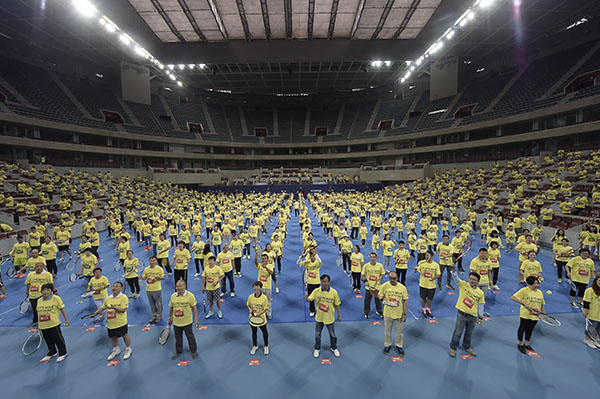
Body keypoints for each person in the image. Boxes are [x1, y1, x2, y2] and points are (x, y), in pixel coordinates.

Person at [448, 271, 484, 358]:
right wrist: (453, 269)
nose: (471, 281)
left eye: (474, 280)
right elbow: (455, 277)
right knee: (458, 332)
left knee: (469, 333)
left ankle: (466, 346)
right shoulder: (463, 285)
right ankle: (453, 348)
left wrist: (480, 317)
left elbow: (481, 304)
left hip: (473, 316)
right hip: (462, 315)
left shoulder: (480, 293)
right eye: (470, 279)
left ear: (478, 281)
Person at [305, 274, 341, 358]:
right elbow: (309, 299)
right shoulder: (316, 291)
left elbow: (337, 304)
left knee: (332, 334)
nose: (324, 283)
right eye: (322, 281)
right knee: (317, 334)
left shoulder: (334, 292)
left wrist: (339, 315)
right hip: (319, 317)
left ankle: (334, 347)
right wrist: (306, 298)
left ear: (328, 282)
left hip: (330, 317)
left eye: (325, 281)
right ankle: (317, 348)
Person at [93, 282, 132, 360]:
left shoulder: (123, 297)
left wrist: (114, 308)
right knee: (113, 337)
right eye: (113, 286)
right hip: (111, 322)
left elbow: (123, 310)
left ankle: (128, 349)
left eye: (117, 286)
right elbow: (103, 307)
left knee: (125, 335)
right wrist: (97, 312)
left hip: (121, 322)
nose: (114, 287)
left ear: (121, 288)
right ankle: (116, 349)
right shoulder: (108, 298)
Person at [511, 276, 545, 354]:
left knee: (530, 329)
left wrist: (544, 315)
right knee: (522, 328)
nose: (536, 285)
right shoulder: (524, 290)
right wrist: (523, 303)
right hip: (526, 314)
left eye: (537, 283)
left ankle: (527, 344)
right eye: (534, 283)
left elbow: (542, 304)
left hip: (535, 315)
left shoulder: (540, 292)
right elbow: (513, 297)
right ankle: (520, 344)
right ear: (529, 284)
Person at [37, 283, 69, 363]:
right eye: (44, 290)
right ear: (41, 292)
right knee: (48, 340)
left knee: (58, 339)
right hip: (43, 325)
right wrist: (38, 324)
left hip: (53, 324)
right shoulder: (39, 300)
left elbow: (62, 309)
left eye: (48, 290)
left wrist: (66, 320)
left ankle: (63, 352)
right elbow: (39, 313)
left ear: (51, 291)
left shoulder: (56, 298)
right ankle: (52, 351)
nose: (45, 292)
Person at [377, 272, 408, 356]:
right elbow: (380, 295)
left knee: (399, 332)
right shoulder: (384, 286)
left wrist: (404, 314)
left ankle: (399, 345)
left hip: (398, 314)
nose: (392, 280)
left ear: (397, 278)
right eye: (390, 278)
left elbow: (405, 301)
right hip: (387, 313)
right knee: (387, 331)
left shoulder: (402, 288)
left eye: (394, 278)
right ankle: (387, 345)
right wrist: (381, 298)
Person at [169, 279, 199, 360]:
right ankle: (178, 351)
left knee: (190, 337)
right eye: (177, 286)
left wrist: (196, 319)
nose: (178, 288)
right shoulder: (173, 296)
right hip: (176, 322)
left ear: (185, 286)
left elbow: (194, 308)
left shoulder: (190, 296)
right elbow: (171, 308)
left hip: (187, 322)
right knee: (178, 338)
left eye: (180, 286)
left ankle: (194, 351)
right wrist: (170, 317)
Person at [25, 261, 54, 327]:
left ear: (43, 267)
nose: (38, 268)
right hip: (32, 295)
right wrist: (27, 291)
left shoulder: (47, 274)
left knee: (43, 309)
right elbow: (28, 283)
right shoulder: (30, 275)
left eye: (40, 266)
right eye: (37, 266)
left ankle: (44, 322)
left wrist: (54, 291)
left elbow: (51, 284)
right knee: (34, 309)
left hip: (42, 295)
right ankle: (35, 320)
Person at [414, 250, 440, 318]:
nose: (426, 257)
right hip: (423, 284)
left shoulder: (436, 265)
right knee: (423, 298)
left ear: (432, 256)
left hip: (432, 285)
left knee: (430, 298)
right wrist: (415, 269)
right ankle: (423, 308)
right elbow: (417, 269)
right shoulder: (421, 263)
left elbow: (439, 274)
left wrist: (434, 277)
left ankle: (428, 308)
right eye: (426, 255)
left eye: (428, 255)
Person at [298, 249, 323, 317]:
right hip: (310, 283)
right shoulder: (307, 262)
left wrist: (316, 255)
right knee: (310, 298)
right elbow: (298, 263)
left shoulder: (317, 263)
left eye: (313, 256)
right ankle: (312, 310)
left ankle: (319, 309)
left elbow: (320, 262)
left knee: (318, 298)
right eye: (311, 256)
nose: (312, 257)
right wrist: (300, 257)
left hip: (317, 283)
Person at [247, 281, 270, 355]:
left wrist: (259, 313)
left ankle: (266, 346)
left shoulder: (264, 298)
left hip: (261, 319)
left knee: (264, 332)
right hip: (252, 319)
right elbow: (248, 305)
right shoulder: (250, 297)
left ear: (260, 288)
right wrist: (251, 310)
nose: (256, 288)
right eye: (255, 286)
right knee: (254, 332)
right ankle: (255, 346)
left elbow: (266, 308)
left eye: (257, 286)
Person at [141, 256, 165, 323]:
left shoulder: (159, 269)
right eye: (151, 260)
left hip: (156, 289)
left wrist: (159, 277)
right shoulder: (146, 269)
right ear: (149, 261)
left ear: (156, 261)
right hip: (148, 289)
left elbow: (163, 277)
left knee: (158, 304)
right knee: (152, 304)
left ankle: (159, 316)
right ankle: (153, 316)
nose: (152, 262)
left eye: (154, 260)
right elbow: (145, 277)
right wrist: (141, 278)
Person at [362, 252, 384, 319]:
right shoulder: (366, 266)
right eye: (371, 257)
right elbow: (363, 274)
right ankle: (366, 312)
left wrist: (380, 279)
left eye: (374, 257)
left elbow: (382, 273)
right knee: (367, 301)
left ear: (376, 257)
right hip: (369, 287)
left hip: (377, 287)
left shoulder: (380, 265)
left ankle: (379, 311)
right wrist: (365, 281)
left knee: (378, 300)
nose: (372, 258)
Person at [254, 252, 274, 319]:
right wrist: (256, 255)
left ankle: (269, 313)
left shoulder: (270, 265)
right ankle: (261, 313)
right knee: (260, 300)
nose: (264, 259)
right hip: (260, 287)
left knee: (268, 301)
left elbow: (271, 273)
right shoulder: (260, 266)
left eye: (265, 258)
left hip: (268, 287)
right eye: (263, 258)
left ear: (268, 259)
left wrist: (266, 268)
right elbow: (256, 262)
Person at [582, 275, 600, 348]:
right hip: (593, 313)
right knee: (591, 328)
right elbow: (586, 302)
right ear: (595, 281)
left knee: (597, 329)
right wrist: (585, 311)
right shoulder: (590, 290)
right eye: (599, 281)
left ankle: (593, 340)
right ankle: (587, 340)